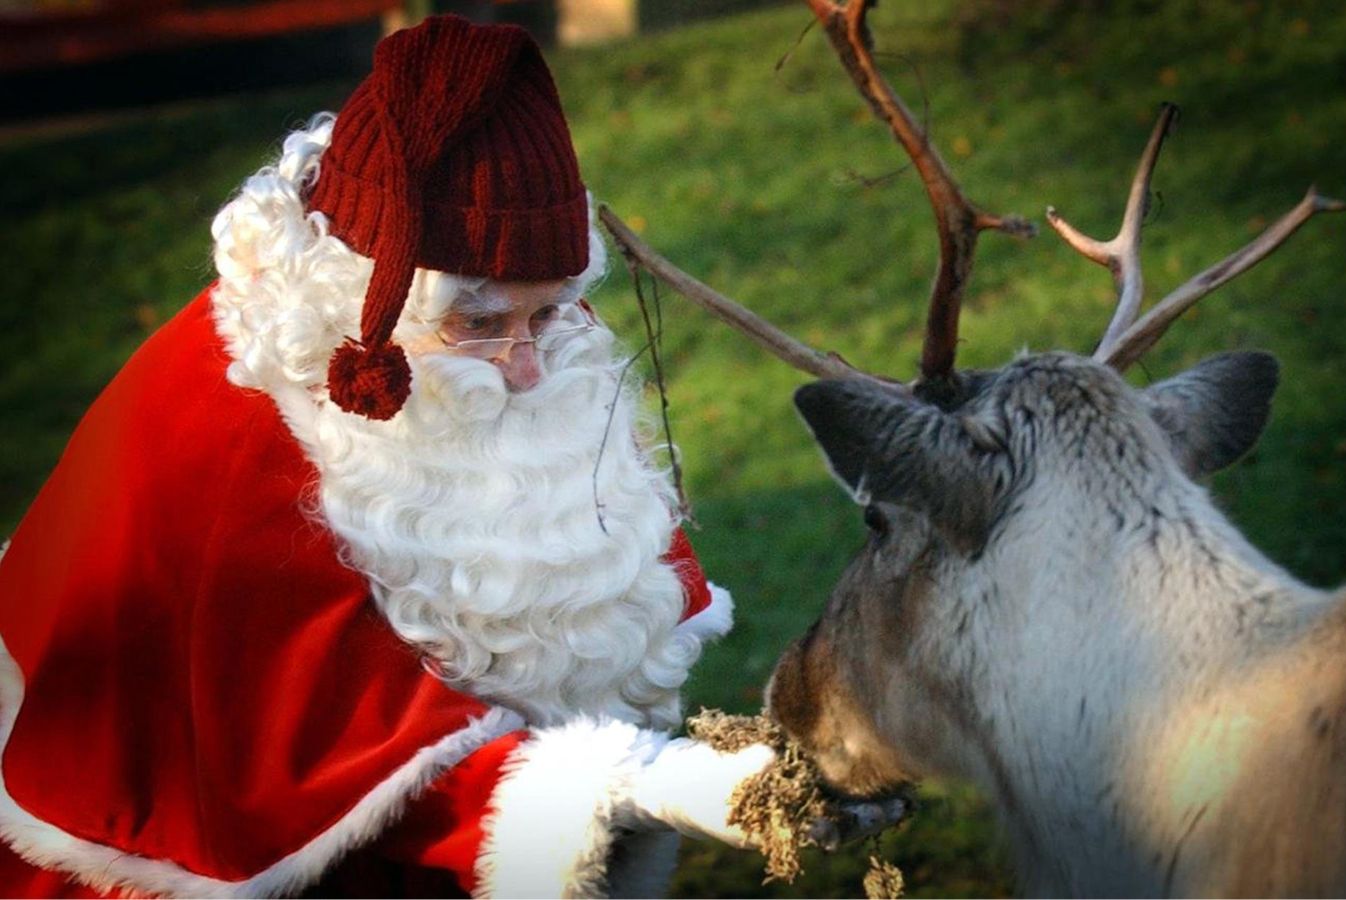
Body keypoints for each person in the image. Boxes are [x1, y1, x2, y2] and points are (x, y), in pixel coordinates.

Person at [0, 16, 773, 897]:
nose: (527, 370)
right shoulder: (219, 438)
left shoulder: (529, 357)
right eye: (481, 326)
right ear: (359, 308)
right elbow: (311, 760)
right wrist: (625, 784)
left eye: (547, 315)